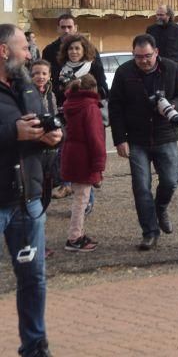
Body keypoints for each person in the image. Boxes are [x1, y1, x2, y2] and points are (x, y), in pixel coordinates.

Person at [1, 24, 61, 357]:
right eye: (24, 48)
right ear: (3, 51)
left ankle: (35, 346)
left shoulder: (26, 85)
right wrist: (13, 132)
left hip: (28, 198)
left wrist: (53, 136)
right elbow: (16, 131)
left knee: (33, 279)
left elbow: (43, 122)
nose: (29, 54)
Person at [109, 34, 178, 251]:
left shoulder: (172, 69)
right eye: (138, 57)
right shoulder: (124, 72)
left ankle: (160, 207)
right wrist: (119, 140)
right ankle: (150, 232)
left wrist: (171, 106)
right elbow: (115, 108)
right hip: (137, 140)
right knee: (141, 187)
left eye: (147, 56)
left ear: (156, 52)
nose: (143, 61)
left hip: (165, 136)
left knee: (170, 181)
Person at [60, 74, 106, 253]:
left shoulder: (71, 104)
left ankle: (77, 234)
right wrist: (99, 165)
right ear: (93, 89)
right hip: (84, 156)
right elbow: (96, 138)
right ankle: (74, 237)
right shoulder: (90, 107)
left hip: (72, 153)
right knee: (82, 199)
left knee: (80, 196)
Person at [54, 33, 107, 109]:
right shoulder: (61, 68)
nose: (74, 51)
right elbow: (56, 93)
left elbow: (103, 90)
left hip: (89, 109)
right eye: (70, 48)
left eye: (77, 48)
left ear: (84, 50)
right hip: (68, 110)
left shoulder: (93, 66)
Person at [146, 4, 178, 77]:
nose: (158, 17)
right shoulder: (151, 30)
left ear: (169, 15)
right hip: (156, 69)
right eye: (157, 15)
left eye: (161, 15)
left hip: (174, 70)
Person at [41, 13, 77, 100]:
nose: (66, 30)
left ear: (75, 28)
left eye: (69, 27)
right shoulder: (49, 50)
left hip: (82, 98)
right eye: (63, 27)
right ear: (58, 29)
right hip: (58, 99)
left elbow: (99, 78)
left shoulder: (88, 49)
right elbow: (45, 76)